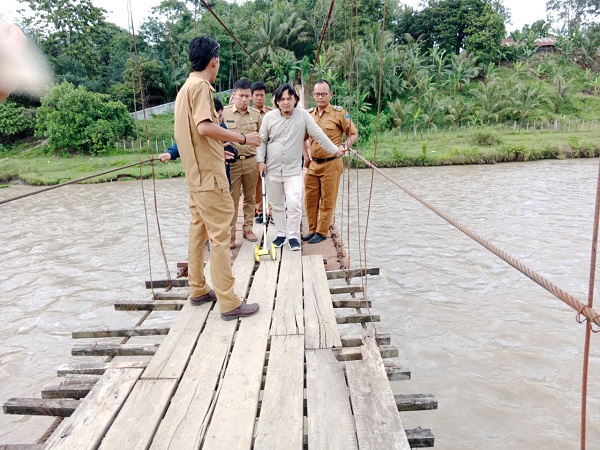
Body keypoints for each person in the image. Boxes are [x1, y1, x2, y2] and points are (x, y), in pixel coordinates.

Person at [174, 36, 260, 320]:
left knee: (197, 233)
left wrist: (216, 148)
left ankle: (198, 287)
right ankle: (229, 301)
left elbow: (193, 134)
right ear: (214, 61)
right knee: (222, 237)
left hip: (196, 177)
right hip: (211, 180)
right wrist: (243, 137)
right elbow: (204, 126)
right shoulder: (201, 88)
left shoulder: (185, 88)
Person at [256, 84, 345, 251]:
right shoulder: (269, 117)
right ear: (276, 101)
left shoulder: (303, 116)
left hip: (292, 172)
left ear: (295, 100)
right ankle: (281, 234)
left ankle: (293, 236)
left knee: (294, 203)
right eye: (282, 99)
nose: (286, 102)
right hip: (272, 170)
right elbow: (262, 140)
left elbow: (319, 135)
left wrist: (335, 150)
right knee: (277, 205)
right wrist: (260, 161)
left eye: (289, 98)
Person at [303, 79, 358, 244]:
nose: (320, 97)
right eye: (317, 94)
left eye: (323, 94)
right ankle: (312, 229)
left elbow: (353, 134)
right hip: (314, 163)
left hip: (332, 163)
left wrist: (344, 146)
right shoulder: (308, 115)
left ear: (330, 95)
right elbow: (302, 138)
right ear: (313, 95)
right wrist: (306, 156)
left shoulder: (339, 113)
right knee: (310, 197)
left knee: (328, 199)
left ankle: (322, 231)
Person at [159, 98, 237, 185]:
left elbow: (229, 151)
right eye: (216, 117)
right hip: (204, 176)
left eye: (221, 116)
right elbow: (184, 143)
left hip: (223, 176)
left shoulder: (222, 128)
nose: (219, 120)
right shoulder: (197, 129)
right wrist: (170, 153)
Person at [223, 79, 262, 249]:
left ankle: (248, 229)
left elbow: (262, 140)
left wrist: (261, 160)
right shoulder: (224, 114)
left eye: (247, 96)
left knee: (250, 197)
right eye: (241, 95)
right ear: (234, 95)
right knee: (231, 199)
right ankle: (230, 236)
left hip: (251, 162)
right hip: (232, 163)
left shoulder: (256, 115)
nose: (244, 99)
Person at [251, 81, 273, 225]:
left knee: (271, 183)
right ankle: (259, 211)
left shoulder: (272, 113)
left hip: (269, 154)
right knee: (256, 185)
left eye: (262, 95)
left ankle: (270, 212)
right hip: (252, 154)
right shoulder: (247, 114)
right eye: (257, 95)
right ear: (252, 96)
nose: (259, 98)